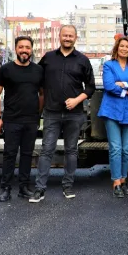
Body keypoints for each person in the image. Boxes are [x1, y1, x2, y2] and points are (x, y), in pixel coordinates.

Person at [31, 25, 96, 203]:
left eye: (71, 36)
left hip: (74, 114)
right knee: (46, 151)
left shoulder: (82, 60)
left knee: (71, 151)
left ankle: (68, 186)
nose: (67, 38)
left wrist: (76, 100)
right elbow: (35, 78)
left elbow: (90, 87)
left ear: (76, 38)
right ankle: (40, 189)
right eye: (64, 35)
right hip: (51, 113)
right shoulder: (48, 58)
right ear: (59, 37)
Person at [0, 36, 44, 203]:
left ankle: (23, 187)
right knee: (9, 154)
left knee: (27, 155)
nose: (24, 50)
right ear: (16, 49)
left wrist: (38, 113)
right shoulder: (6, 70)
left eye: (27, 47)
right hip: (11, 119)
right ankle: (5, 188)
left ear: (31, 50)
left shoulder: (38, 70)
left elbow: (42, 94)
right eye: (21, 47)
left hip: (31, 120)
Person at [99, 36, 128, 198]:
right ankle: (116, 181)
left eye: (127, 47)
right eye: (122, 46)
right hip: (111, 111)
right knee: (116, 148)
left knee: (126, 149)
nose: (124, 49)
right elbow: (109, 86)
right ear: (117, 48)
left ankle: (124, 179)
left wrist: (123, 84)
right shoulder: (109, 65)